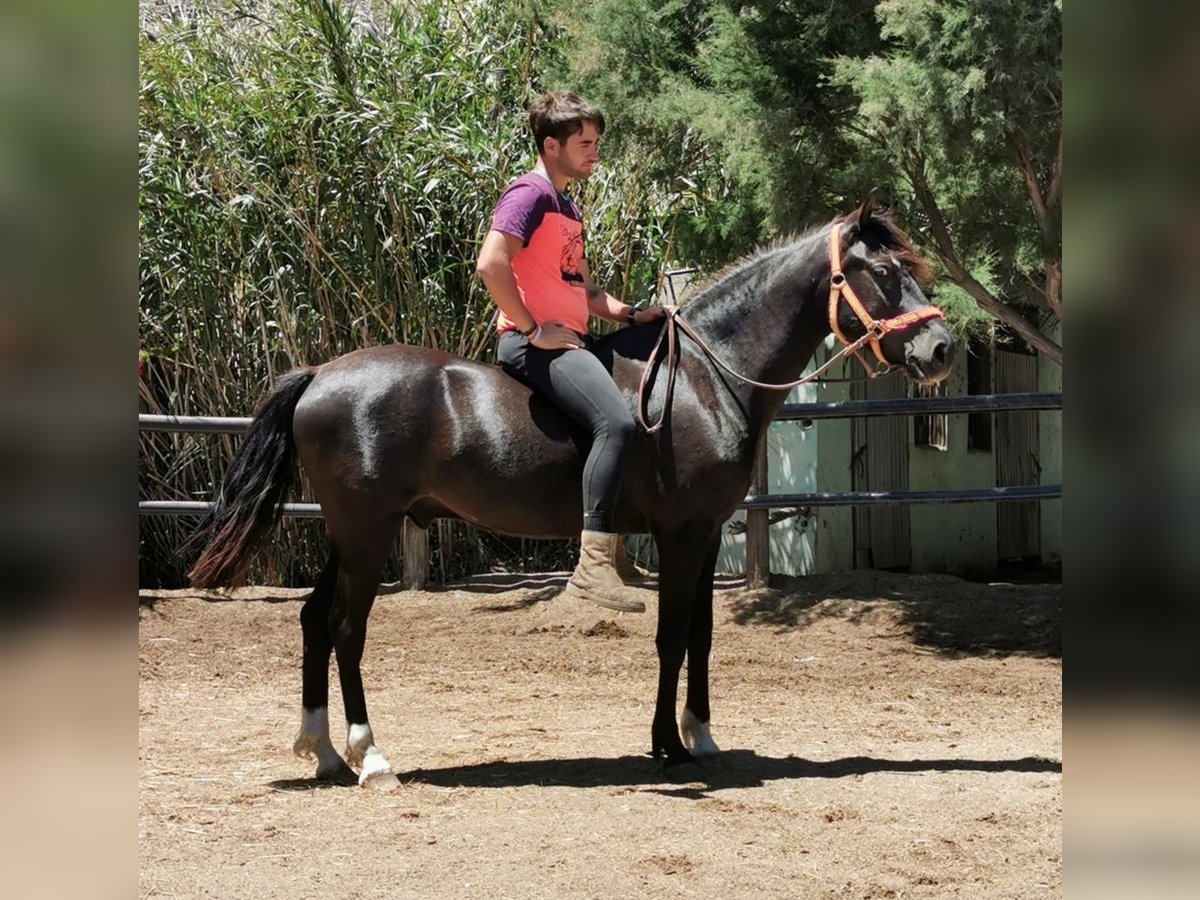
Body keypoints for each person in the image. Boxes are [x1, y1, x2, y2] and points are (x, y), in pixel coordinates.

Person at [475, 91, 668, 613]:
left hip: (571, 337)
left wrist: (632, 314)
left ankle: (616, 552)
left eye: (597, 142)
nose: (594, 152)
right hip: (532, 343)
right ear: (551, 144)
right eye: (585, 143)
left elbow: (585, 292)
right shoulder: (529, 194)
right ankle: (592, 570)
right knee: (617, 423)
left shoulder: (567, 206)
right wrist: (533, 328)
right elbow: (491, 264)